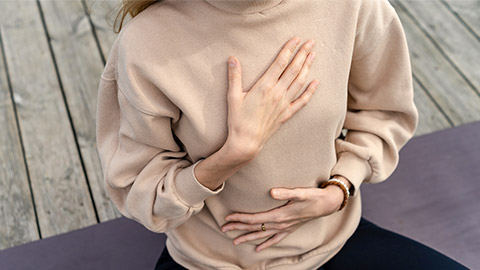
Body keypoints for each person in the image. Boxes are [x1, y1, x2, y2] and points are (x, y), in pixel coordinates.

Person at [95, 0, 469, 269]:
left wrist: (340, 188)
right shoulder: (145, 44)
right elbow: (138, 190)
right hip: (210, 261)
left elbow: (382, 112)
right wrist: (229, 158)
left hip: (331, 241)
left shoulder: (353, 7)